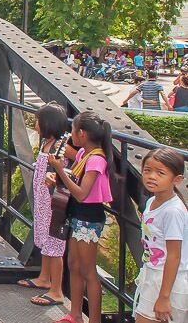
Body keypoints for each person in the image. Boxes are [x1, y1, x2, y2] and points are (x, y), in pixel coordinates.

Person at [48, 111, 114, 323]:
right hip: (77, 214)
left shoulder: (96, 159)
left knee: (88, 270)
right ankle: (75, 314)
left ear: (82, 133)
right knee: (74, 264)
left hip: (88, 217)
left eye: (73, 130)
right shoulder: (84, 154)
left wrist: (60, 170)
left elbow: (81, 193)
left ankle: (94, 319)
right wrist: (56, 174)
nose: (71, 134)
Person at [17, 103, 77, 307]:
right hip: (43, 200)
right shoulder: (47, 143)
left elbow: (79, 161)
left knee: (54, 244)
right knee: (44, 238)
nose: (35, 124)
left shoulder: (61, 144)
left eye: (38, 120)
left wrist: (63, 175)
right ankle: (44, 278)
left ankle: (56, 290)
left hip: (55, 202)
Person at [133, 147, 187, 323]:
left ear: (177, 179)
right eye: (147, 170)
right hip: (154, 274)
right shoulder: (152, 202)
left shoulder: (173, 211)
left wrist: (164, 297)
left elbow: (174, 255)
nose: (151, 176)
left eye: (160, 173)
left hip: (168, 282)